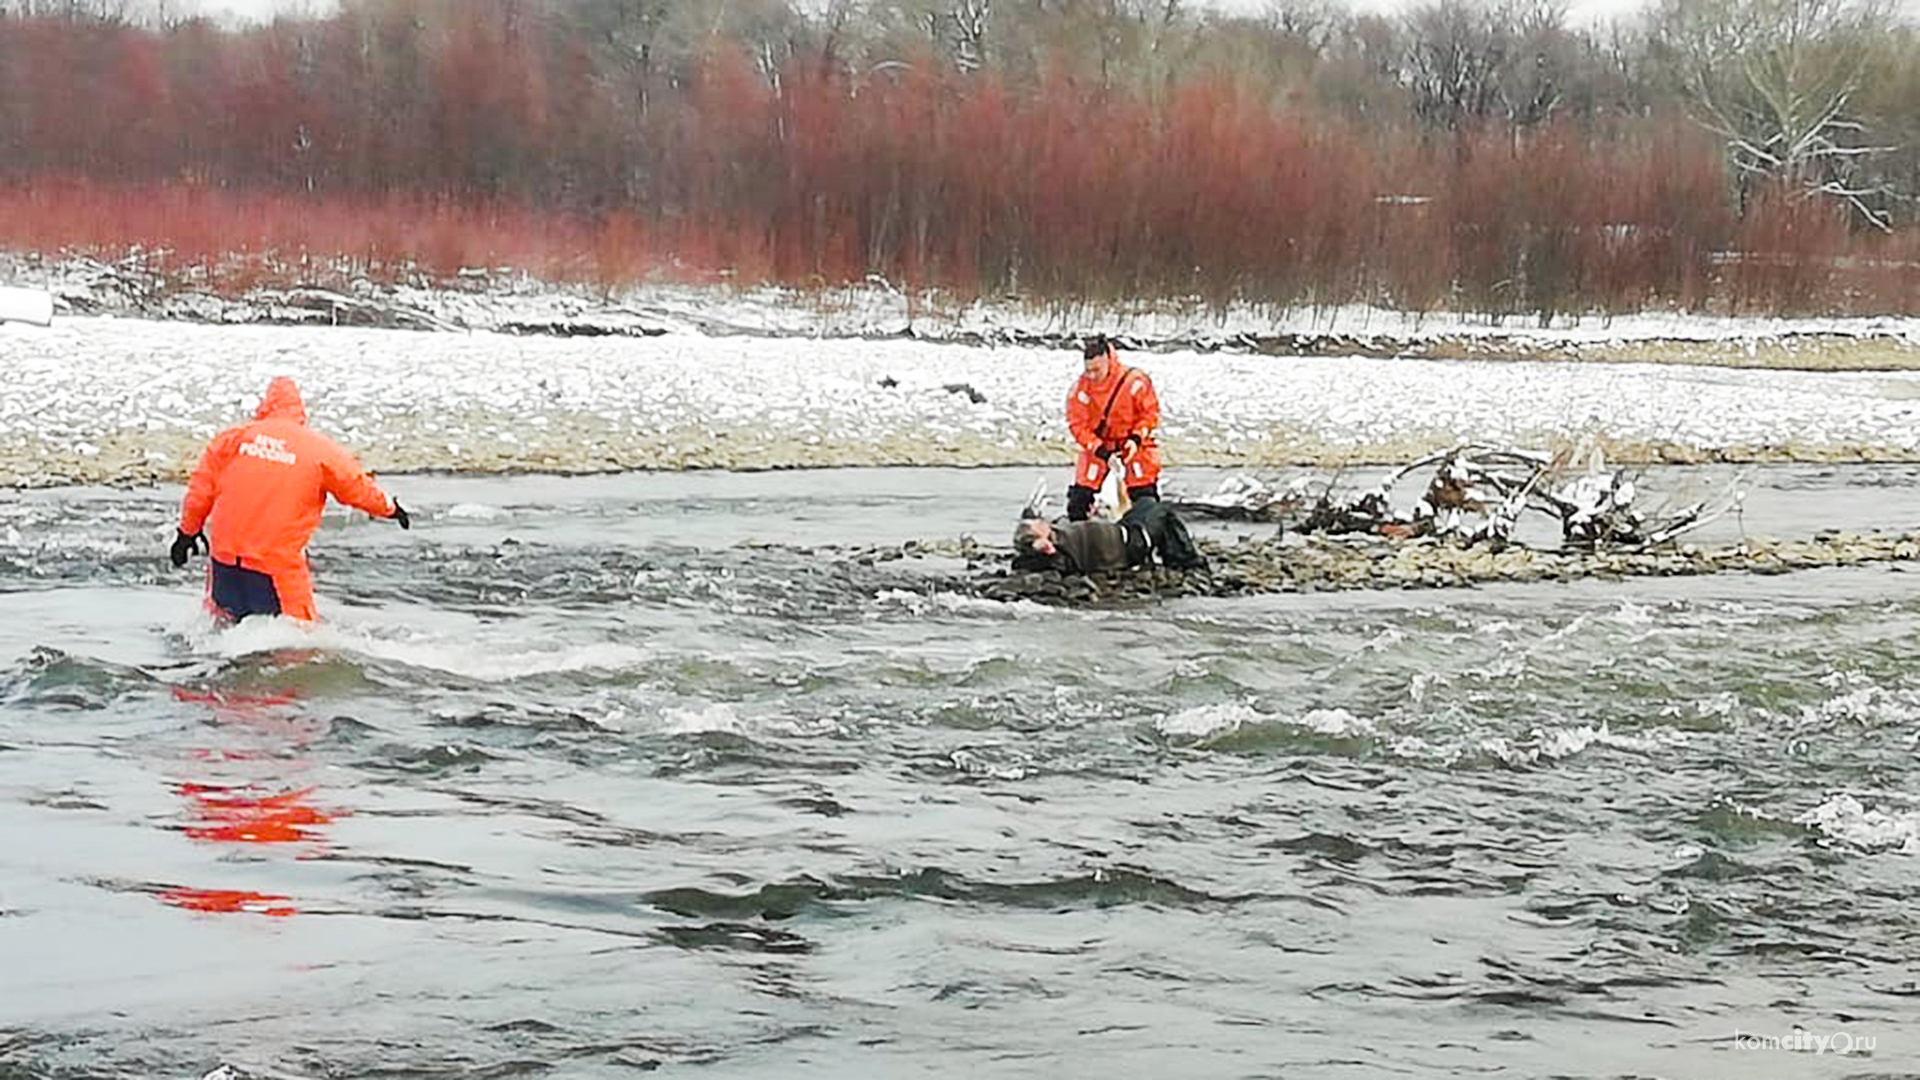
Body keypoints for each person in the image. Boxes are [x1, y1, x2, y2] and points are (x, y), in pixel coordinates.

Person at [169, 376, 410, 622]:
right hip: (275, 568)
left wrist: (186, 534)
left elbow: (199, 493)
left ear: (265, 406)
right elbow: (358, 488)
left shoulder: (232, 440)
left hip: (224, 563)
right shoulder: (317, 450)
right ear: (300, 411)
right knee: (297, 645)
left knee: (221, 631)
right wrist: (391, 509)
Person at [1064, 333, 1161, 522]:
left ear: (1108, 360)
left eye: (1096, 370)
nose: (1092, 376)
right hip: (1099, 448)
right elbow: (1078, 426)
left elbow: (1149, 415)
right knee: (1078, 502)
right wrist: (1100, 450)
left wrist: (1135, 439)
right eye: (1088, 370)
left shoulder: (1135, 382)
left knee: (1146, 500)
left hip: (1133, 446)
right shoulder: (1081, 390)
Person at [1011, 496, 1207, 575]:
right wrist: (1041, 548)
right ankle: (1185, 560)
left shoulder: (1056, 530)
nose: (1043, 521)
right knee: (1163, 511)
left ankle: (1170, 554)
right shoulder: (1053, 551)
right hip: (1131, 545)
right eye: (1039, 524)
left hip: (1122, 528)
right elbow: (1027, 560)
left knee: (1146, 502)